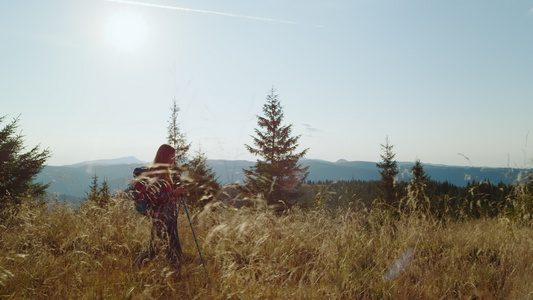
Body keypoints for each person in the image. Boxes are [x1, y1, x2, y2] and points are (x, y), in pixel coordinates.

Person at [133, 144, 187, 268]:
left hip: (168, 217)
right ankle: (138, 266)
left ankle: (138, 266)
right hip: (161, 218)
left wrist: (176, 192)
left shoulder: (164, 173)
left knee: (166, 247)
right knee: (163, 248)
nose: (173, 159)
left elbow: (163, 192)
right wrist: (174, 192)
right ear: (164, 156)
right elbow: (155, 197)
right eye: (171, 156)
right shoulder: (156, 173)